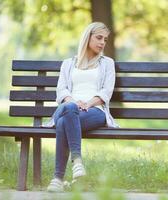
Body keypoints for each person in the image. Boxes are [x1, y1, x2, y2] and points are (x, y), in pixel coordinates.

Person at [46, 22, 119, 192]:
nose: (102, 43)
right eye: (99, 37)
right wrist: (73, 101)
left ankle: (58, 179)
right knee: (69, 110)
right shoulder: (68, 64)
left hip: (94, 111)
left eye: (105, 40)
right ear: (88, 37)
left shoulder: (107, 63)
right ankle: (77, 162)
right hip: (68, 107)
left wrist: (88, 103)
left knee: (64, 122)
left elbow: (106, 92)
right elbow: (61, 90)